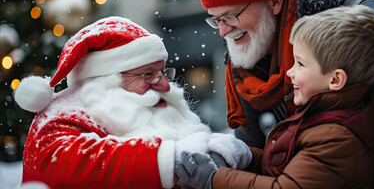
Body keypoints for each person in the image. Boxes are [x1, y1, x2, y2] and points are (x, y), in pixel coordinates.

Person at [197, 0, 374, 188]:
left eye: (230, 16)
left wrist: (217, 179)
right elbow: (258, 151)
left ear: (274, 2)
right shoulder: (247, 54)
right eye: (216, 20)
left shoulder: (368, 28)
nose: (223, 31)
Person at [14, 17, 252, 188]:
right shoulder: (60, 117)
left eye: (163, 73)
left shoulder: (140, 108)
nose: (165, 86)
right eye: (148, 75)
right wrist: (170, 157)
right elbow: (69, 165)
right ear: (106, 80)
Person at [176, 5, 374, 188]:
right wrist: (247, 156)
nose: (290, 72)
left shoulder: (338, 138)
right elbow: (283, 166)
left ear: (335, 80)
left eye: (300, 64)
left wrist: (214, 179)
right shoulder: (321, 118)